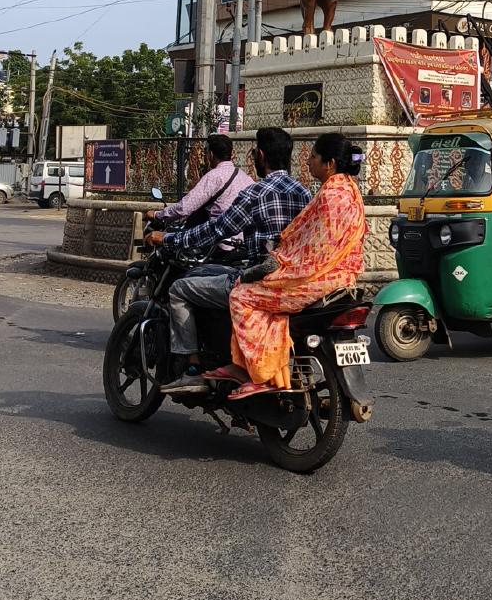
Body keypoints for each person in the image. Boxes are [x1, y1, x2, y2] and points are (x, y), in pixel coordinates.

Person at [148, 128, 310, 395]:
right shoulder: (304, 193)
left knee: (179, 289)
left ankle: (192, 368)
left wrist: (169, 239)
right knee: (204, 271)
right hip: (293, 281)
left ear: (260, 155)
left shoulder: (256, 192)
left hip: (259, 279)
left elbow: (216, 229)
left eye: (254, 152)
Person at [225, 133, 367, 399]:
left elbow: (310, 249)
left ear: (329, 163)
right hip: (343, 278)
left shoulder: (330, 195)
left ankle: (260, 374)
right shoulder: (349, 190)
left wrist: (276, 266)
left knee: (241, 295)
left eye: (313, 157)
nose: (308, 162)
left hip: (317, 279)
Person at [151, 134, 253, 242]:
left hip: (218, 241)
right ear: (232, 154)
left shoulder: (214, 176)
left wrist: (158, 215)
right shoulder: (246, 178)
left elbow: (185, 207)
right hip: (243, 241)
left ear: (211, 154)